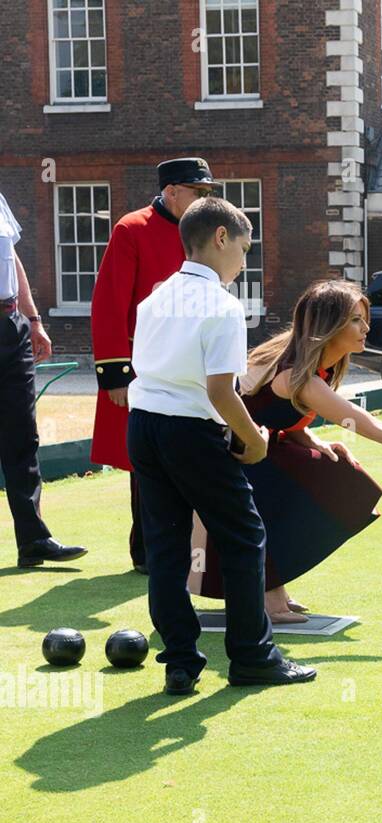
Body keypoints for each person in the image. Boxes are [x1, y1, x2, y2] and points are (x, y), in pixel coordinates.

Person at [192, 279, 382, 620]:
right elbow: (373, 427)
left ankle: (273, 587)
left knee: (338, 471)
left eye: (363, 318)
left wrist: (310, 439)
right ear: (328, 325)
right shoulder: (299, 376)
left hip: (253, 456)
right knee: (304, 482)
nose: (366, 327)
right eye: (355, 320)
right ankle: (269, 596)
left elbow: (271, 416)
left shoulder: (313, 365)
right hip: (226, 467)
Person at [127, 196, 314, 694]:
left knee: (167, 545)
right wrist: (253, 438)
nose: (245, 259)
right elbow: (218, 390)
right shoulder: (224, 305)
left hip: (144, 426)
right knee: (243, 535)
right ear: (221, 237)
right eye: (245, 246)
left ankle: (181, 662)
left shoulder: (155, 297)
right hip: (191, 430)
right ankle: (253, 657)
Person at [91, 157, 217, 572]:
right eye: (197, 191)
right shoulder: (132, 229)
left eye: (207, 192)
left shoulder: (203, 232)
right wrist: (115, 371)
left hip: (192, 362)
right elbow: (109, 304)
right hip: (143, 366)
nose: (204, 198)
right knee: (145, 461)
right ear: (172, 192)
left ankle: (190, 550)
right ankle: (147, 551)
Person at [0, 190, 86, 567]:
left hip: (11, 324)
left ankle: (33, 540)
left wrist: (34, 320)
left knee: (22, 435)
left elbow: (11, 258)